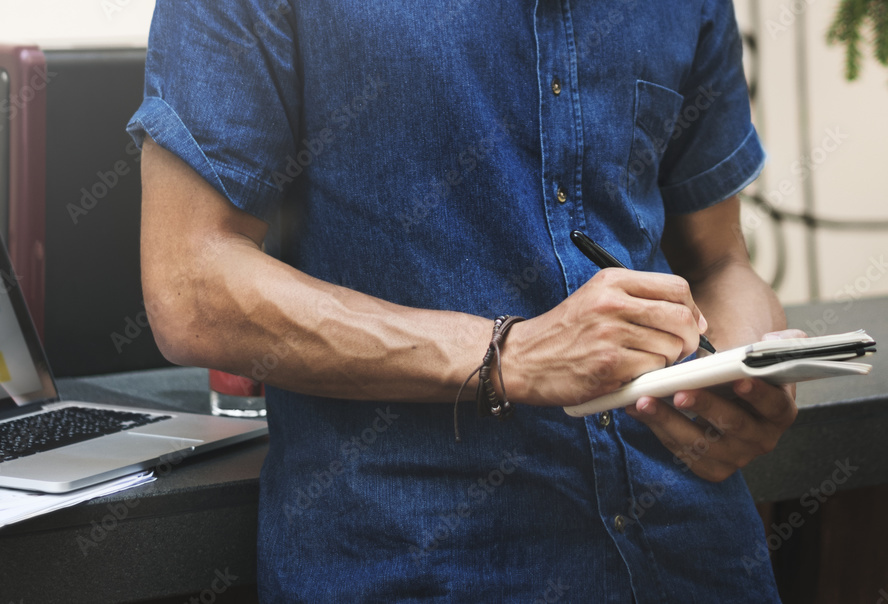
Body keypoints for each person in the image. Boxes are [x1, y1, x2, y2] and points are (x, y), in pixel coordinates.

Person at [128, 1, 799, 600]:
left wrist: (731, 376)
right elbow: (191, 286)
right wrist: (505, 354)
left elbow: (720, 262)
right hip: (418, 561)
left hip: (694, 557)